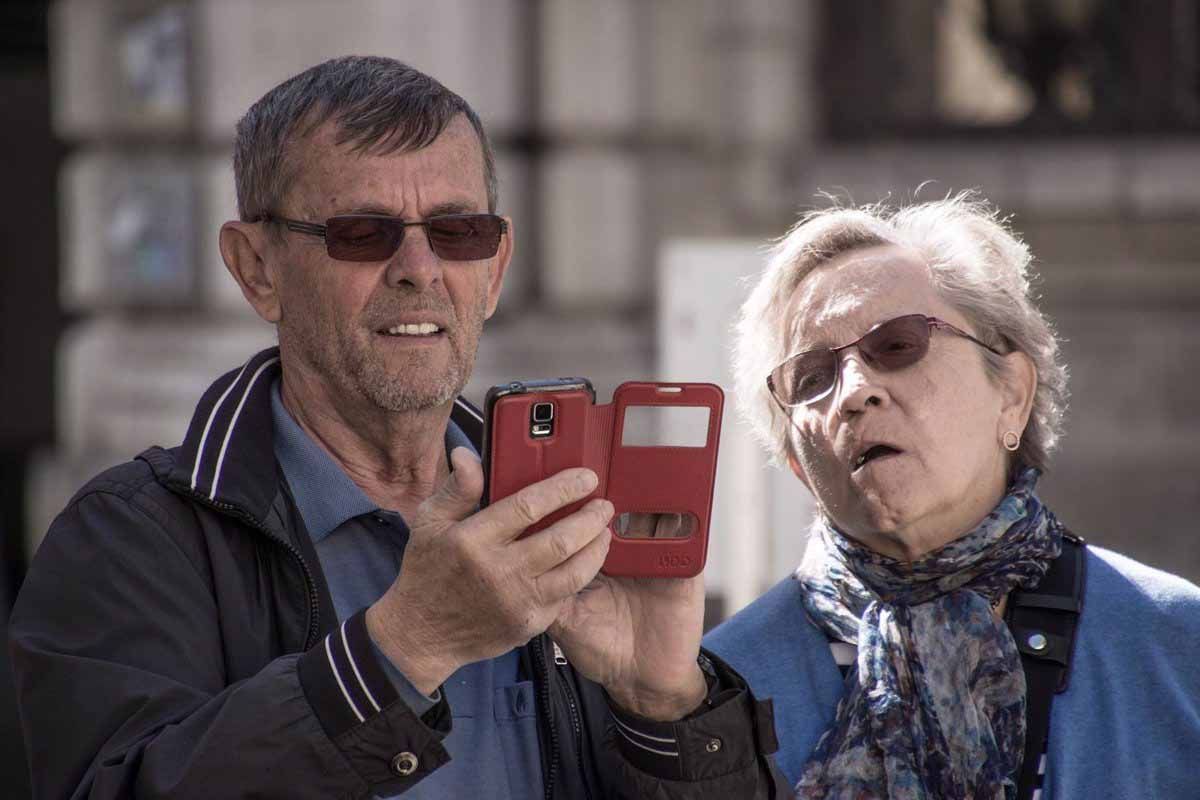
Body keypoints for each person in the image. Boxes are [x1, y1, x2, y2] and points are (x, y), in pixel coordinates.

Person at [9, 56, 785, 799]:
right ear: (257, 269)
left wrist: (664, 708)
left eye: (457, 232)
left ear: (496, 266)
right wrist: (403, 650)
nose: (419, 268)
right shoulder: (132, 538)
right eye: (361, 233)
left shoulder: (571, 521)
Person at [705, 195, 1200, 799]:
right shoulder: (714, 692)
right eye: (812, 378)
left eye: (897, 345)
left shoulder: (1175, 644)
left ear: (1012, 394)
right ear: (798, 466)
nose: (856, 390)